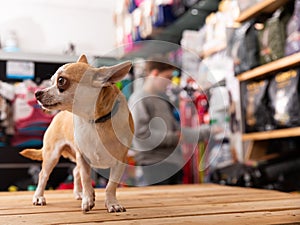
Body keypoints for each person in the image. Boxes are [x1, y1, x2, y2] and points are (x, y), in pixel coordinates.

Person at [128, 56, 211, 186]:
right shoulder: (139, 99)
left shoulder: (163, 100)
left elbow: (178, 132)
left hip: (172, 164)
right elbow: (140, 135)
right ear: (155, 74)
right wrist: (173, 137)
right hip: (155, 166)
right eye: (168, 77)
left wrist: (207, 132)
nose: (170, 82)